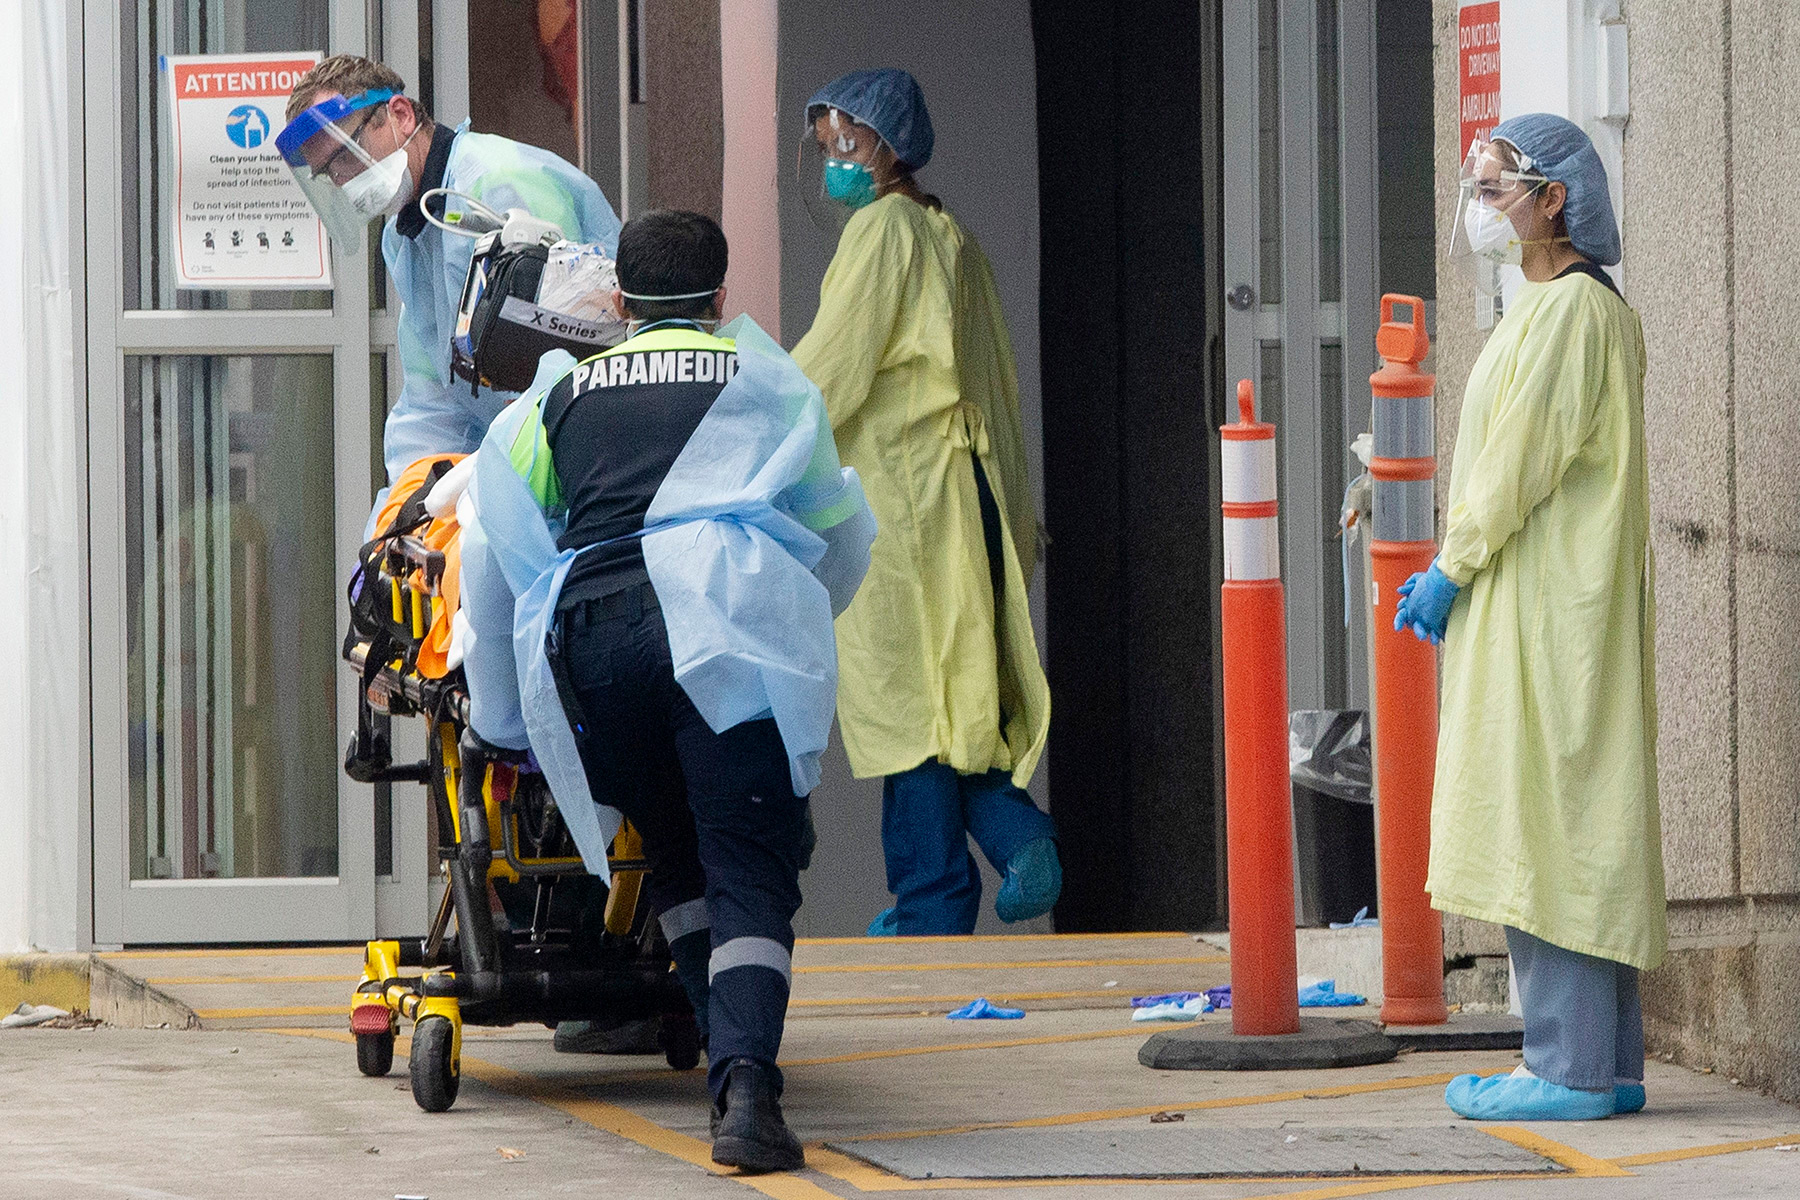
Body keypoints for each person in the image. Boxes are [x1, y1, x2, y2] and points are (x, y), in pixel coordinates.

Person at [459, 210, 875, 1171]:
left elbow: (492, 539)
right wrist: (794, 643)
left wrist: (504, 713)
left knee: (678, 853)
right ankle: (748, 1094)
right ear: (722, 300)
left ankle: (729, 1070)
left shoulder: (558, 394)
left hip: (600, 643)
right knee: (751, 862)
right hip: (728, 629)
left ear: (617, 303)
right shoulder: (766, 382)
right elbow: (837, 530)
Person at [1395, 113, 1661, 1122]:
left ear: (1556, 199)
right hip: (1550, 606)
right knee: (1571, 817)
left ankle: (1568, 1067)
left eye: (1499, 190)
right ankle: (1605, 1057)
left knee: (1548, 823)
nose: (1484, 211)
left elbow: (1513, 467)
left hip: (1545, 609)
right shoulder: (1563, 308)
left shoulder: (1569, 316)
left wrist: (1451, 568)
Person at [790, 69, 1059, 937]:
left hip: (903, 503)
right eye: (826, 142)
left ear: (890, 147)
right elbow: (997, 382)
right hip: (961, 497)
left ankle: (933, 901)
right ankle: (1015, 844)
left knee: (906, 708)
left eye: (847, 142)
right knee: (953, 702)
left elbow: (830, 370)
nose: (833, 158)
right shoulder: (951, 236)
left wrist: (751, 442)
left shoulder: (879, 234)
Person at [278, 56, 621, 484]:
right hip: (521, 458)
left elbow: (565, 359)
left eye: (348, 154)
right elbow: (434, 395)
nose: (345, 180)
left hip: (591, 454)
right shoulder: (405, 237)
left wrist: (495, 482)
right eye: (330, 173)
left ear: (399, 114)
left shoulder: (499, 184)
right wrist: (408, 497)